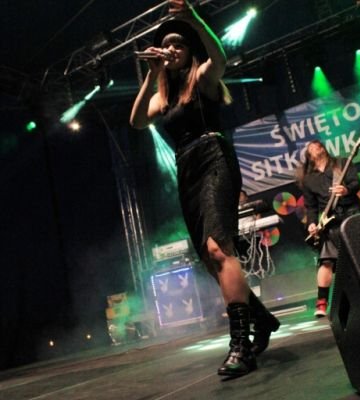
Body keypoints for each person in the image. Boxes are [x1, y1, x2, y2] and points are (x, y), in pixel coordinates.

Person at [129, 0, 280, 377]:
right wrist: (151, 73)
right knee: (209, 260)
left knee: (218, 247)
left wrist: (193, 18)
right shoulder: (162, 96)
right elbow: (136, 121)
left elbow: (220, 56)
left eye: (179, 43)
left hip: (213, 155)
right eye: (167, 44)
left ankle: (241, 346)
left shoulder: (203, 77)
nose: (171, 48)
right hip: (186, 168)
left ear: (189, 49)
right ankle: (261, 319)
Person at [297, 140, 360, 318]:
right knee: (326, 261)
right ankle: (321, 303)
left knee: (358, 256)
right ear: (309, 156)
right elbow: (311, 207)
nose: (316, 146)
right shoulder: (309, 180)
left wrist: (346, 190)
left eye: (318, 145)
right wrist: (311, 223)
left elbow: (356, 183)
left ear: (324, 149)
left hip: (350, 214)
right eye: (311, 147)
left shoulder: (341, 163)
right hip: (330, 222)